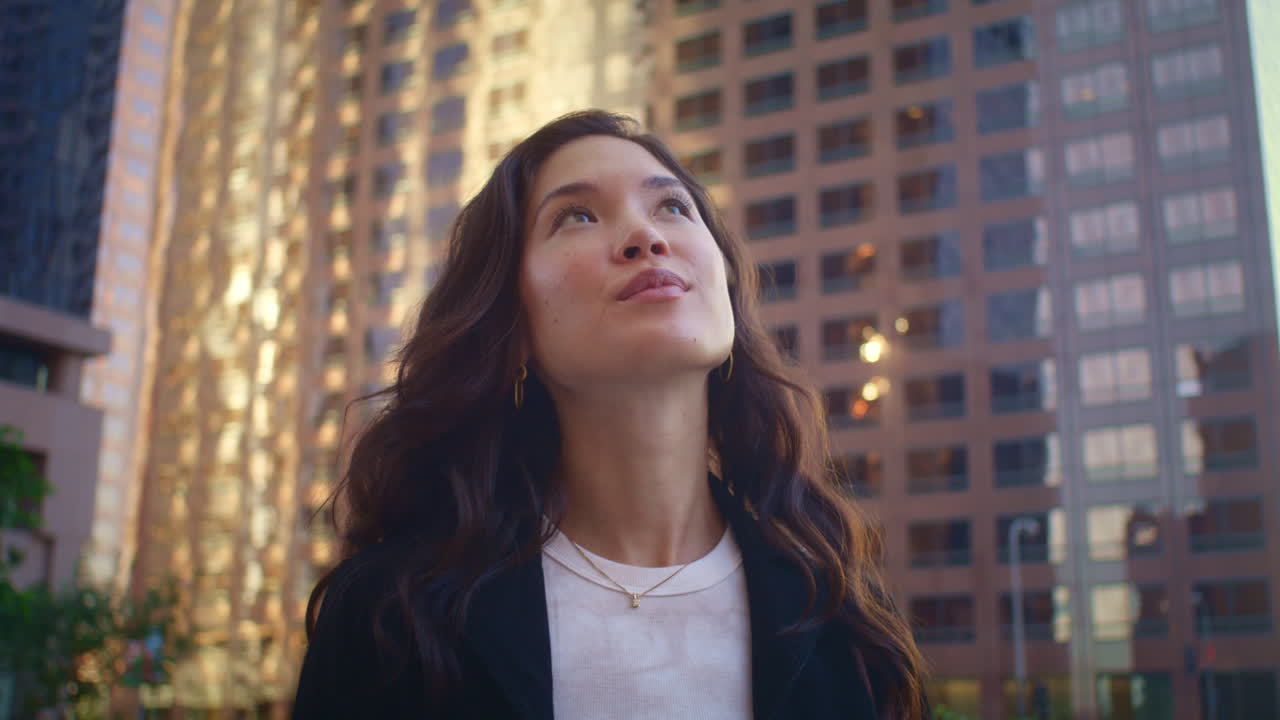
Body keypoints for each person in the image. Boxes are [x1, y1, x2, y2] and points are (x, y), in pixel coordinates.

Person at [292, 110, 928, 719]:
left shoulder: (837, 609)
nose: (646, 237)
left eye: (672, 207)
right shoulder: (393, 619)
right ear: (512, 330)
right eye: (577, 216)